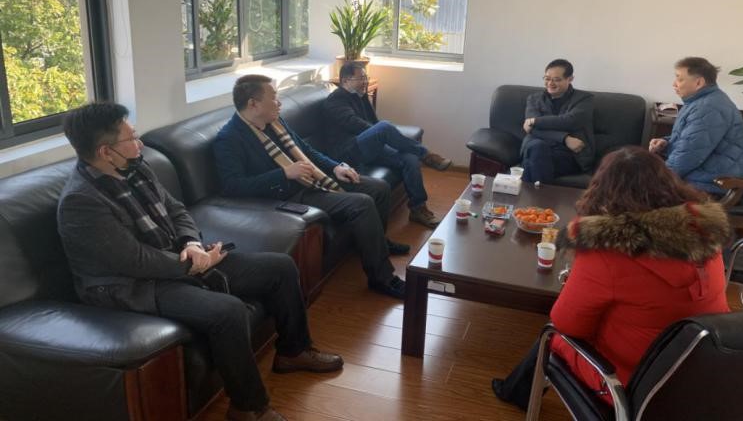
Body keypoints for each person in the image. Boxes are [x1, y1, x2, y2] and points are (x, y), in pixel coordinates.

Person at [57, 103, 343, 421]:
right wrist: (193, 265)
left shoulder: (135, 168)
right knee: (227, 311)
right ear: (106, 152)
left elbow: (177, 209)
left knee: (279, 268)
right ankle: (248, 408)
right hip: (129, 286)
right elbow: (134, 261)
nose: (140, 144)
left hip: (176, 258)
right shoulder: (81, 202)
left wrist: (191, 244)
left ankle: (293, 352)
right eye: (132, 138)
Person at [492, 146, 730, 410]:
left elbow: (567, 325)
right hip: (704, 371)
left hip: (635, 385)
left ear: (603, 192)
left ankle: (517, 395)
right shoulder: (705, 234)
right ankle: (514, 390)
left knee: (551, 335)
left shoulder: (608, 252)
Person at [213, 74, 407, 299]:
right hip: (288, 196)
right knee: (361, 204)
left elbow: (306, 151)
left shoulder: (275, 122)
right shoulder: (229, 138)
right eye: (273, 97)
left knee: (379, 188)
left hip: (311, 177)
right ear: (253, 104)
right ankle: (382, 278)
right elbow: (233, 186)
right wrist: (284, 174)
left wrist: (335, 167)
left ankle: (377, 243)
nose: (279, 102)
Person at [322, 62, 452, 229]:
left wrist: (377, 133)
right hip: (347, 152)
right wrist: (377, 134)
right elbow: (354, 124)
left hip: (365, 147)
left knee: (410, 158)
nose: (365, 81)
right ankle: (427, 155)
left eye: (365, 77)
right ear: (346, 80)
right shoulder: (336, 100)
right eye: (361, 78)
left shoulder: (360, 96)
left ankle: (418, 209)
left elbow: (373, 122)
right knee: (384, 127)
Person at [649, 56, 743, 194]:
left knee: (636, 188)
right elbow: (691, 141)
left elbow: (687, 156)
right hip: (699, 176)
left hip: (711, 185)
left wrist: (655, 180)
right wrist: (666, 142)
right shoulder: (701, 101)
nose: (674, 84)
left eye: (679, 79)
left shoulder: (709, 108)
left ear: (699, 83)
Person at [521, 58, 595, 184]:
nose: (550, 83)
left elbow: (570, 121)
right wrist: (565, 138)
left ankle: (531, 195)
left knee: (532, 163)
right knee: (537, 148)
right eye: (547, 78)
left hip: (568, 154)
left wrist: (535, 121)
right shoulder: (534, 99)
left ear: (570, 79)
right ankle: (542, 196)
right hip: (537, 147)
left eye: (556, 79)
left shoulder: (584, 99)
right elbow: (530, 128)